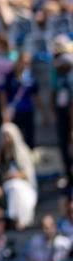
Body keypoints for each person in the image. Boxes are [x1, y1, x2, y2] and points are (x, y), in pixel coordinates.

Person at [0, 123, 37, 230]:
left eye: (8, 136)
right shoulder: (0, 154)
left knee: (17, 188)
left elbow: (28, 173)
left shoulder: (22, 152)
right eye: (4, 136)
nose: (6, 139)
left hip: (23, 184)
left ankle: (20, 219)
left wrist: (14, 175)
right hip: (6, 185)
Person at [1, 51, 41, 148]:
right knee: (14, 138)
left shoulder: (31, 77)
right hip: (14, 112)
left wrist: (43, 113)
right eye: (23, 62)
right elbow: (3, 96)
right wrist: (4, 113)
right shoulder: (9, 77)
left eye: (27, 63)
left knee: (29, 138)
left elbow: (35, 96)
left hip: (27, 111)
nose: (25, 65)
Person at [51, 53, 73, 186]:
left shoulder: (70, 78)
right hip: (63, 116)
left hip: (69, 119)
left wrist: (72, 127)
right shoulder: (61, 76)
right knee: (64, 147)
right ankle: (68, 175)